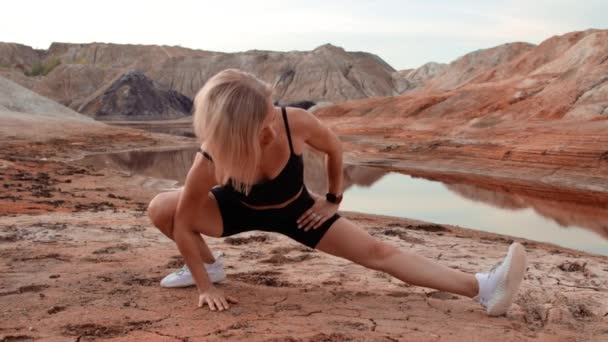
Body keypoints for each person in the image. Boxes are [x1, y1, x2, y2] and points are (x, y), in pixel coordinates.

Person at [147, 68, 527, 316]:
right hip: (235, 210)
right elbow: (182, 223)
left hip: (297, 211)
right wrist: (205, 284)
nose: (274, 114)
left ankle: (482, 287)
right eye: (265, 112)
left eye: (272, 105)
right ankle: (209, 263)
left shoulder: (294, 122)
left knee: (380, 253)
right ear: (240, 128)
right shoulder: (211, 156)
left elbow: (334, 149)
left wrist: (332, 200)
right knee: (163, 207)